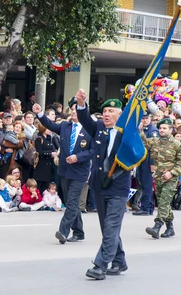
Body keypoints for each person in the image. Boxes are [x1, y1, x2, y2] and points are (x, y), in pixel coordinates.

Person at [75, 91, 129, 280]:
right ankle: (119, 260)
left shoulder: (127, 132)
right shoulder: (98, 127)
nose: (106, 114)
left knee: (111, 227)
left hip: (118, 187)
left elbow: (138, 153)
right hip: (99, 185)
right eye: (105, 110)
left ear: (119, 114)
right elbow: (84, 119)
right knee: (107, 228)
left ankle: (101, 265)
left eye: (111, 111)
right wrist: (81, 103)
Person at [34, 97, 93, 244]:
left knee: (72, 202)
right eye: (72, 109)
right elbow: (49, 124)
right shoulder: (65, 126)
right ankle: (79, 232)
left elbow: (93, 151)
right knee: (69, 201)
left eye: (76, 110)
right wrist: (40, 113)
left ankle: (63, 231)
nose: (73, 112)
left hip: (80, 170)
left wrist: (78, 157)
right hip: (65, 170)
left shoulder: (90, 129)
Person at [143, 118, 181, 239]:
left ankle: (157, 226)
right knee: (164, 203)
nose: (162, 130)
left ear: (170, 130)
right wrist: (139, 129)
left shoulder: (177, 145)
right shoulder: (155, 142)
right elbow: (143, 142)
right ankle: (170, 228)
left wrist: (172, 173)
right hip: (158, 177)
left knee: (163, 202)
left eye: (164, 128)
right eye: (160, 128)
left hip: (171, 179)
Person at [134, 113, 158, 216]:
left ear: (150, 118)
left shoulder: (152, 131)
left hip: (148, 160)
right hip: (142, 159)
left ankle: (146, 207)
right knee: (143, 183)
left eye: (146, 118)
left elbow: (154, 148)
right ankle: (147, 206)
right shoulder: (143, 129)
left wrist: (152, 163)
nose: (144, 120)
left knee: (147, 184)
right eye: (142, 118)